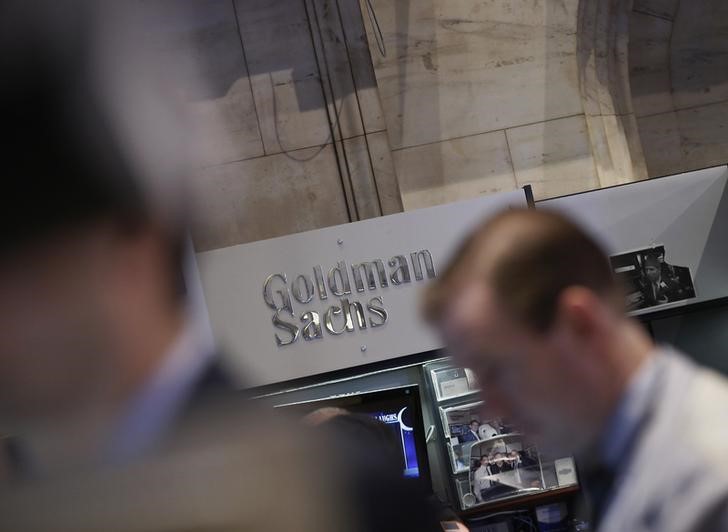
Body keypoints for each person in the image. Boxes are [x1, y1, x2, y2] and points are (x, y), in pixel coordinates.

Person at [423, 208, 728, 531]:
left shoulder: (707, 482)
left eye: (497, 371)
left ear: (580, 325)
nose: (490, 409)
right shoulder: (633, 468)